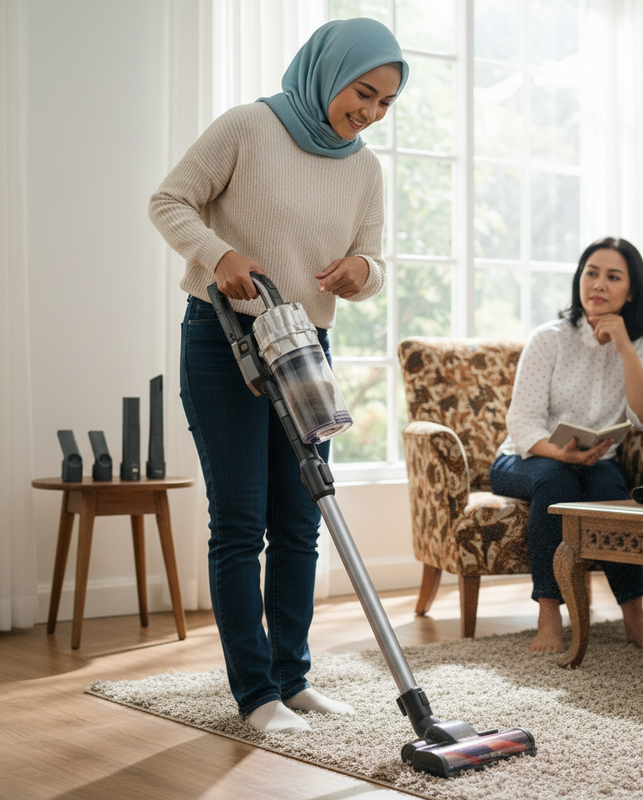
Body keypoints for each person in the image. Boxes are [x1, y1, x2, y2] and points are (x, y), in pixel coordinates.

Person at [148, 18, 409, 733]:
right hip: (224, 338)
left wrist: (364, 273)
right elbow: (168, 200)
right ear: (331, 71)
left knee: (302, 517)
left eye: (386, 103)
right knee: (239, 521)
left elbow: (375, 260)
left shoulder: (364, 169)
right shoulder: (248, 127)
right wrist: (219, 254)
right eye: (365, 92)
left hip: (306, 347)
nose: (371, 112)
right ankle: (255, 693)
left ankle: (294, 679)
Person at [489, 237, 643, 655]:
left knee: (612, 497)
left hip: (596, 460)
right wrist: (561, 453)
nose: (598, 284)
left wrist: (626, 348)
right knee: (557, 484)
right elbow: (522, 421)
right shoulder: (550, 338)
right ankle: (549, 617)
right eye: (591, 273)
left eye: (613, 277)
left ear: (631, 291)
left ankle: (635, 620)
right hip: (526, 457)